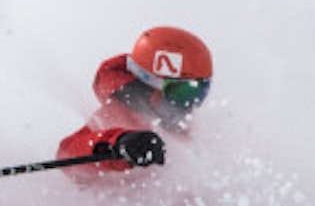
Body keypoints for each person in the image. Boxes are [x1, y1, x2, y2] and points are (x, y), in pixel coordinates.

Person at [57, 26, 213, 173]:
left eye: (197, 91)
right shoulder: (120, 114)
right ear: (149, 85)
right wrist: (118, 142)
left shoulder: (185, 126)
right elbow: (68, 152)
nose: (189, 103)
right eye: (181, 92)